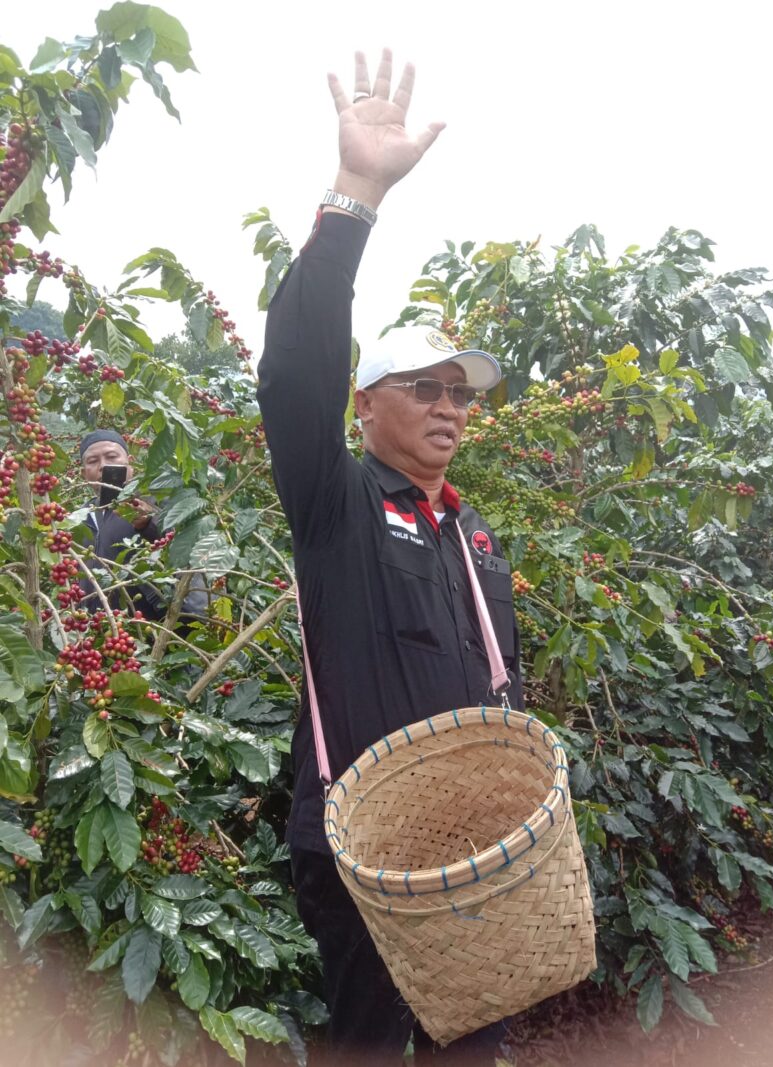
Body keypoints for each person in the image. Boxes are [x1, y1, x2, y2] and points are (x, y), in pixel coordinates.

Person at [257, 51, 522, 1066]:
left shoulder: (471, 530)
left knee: (474, 1033)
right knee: (366, 1040)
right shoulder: (335, 503)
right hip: (363, 844)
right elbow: (292, 368)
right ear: (365, 405)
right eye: (423, 387)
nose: (449, 406)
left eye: (459, 392)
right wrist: (357, 193)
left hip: (475, 846)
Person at [78, 429, 207, 621]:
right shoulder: (80, 519)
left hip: (152, 632)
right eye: (93, 461)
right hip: (99, 637)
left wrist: (149, 524)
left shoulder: (158, 499)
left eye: (111, 456)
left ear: (130, 464)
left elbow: (187, 547)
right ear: (83, 473)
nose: (103, 466)